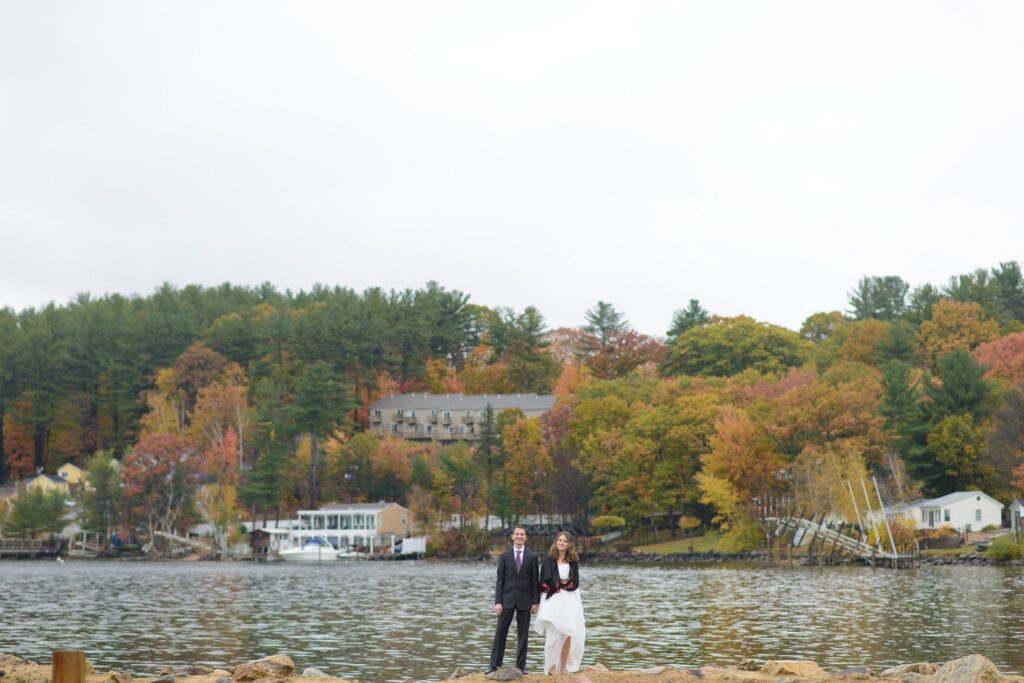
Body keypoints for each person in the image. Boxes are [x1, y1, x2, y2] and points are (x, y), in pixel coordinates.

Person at [487, 526, 540, 674]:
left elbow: (535, 581)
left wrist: (536, 602)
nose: (519, 536)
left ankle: (521, 667)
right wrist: (498, 602)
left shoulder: (532, 557)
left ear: (525, 537)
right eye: (517, 534)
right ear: (512, 537)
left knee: (523, 635)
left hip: (525, 600)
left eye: (522, 534)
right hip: (506, 600)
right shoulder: (504, 556)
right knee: (500, 632)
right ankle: (493, 665)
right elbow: (500, 581)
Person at [534, 532, 586, 674]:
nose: (561, 543)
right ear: (556, 542)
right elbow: (542, 582)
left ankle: (563, 667)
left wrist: (561, 584)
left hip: (570, 599)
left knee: (568, 633)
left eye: (565, 541)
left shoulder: (573, 561)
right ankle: (551, 667)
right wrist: (555, 585)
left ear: (569, 544)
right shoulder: (548, 561)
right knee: (553, 633)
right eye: (559, 540)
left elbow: (575, 582)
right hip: (553, 599)